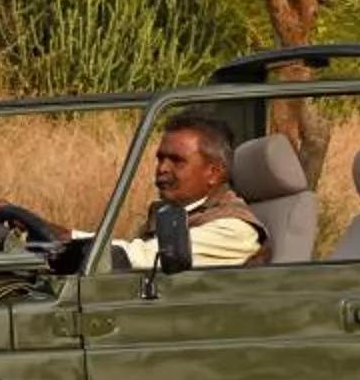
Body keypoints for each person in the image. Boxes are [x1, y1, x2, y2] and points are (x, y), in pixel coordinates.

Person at [110, 115, 267, 269]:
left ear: (213, 173)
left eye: (177, 160)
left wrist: (90, 248)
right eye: (161, 158)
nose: (162, 168)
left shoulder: (235, 229)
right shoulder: (170, 214)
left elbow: (143, 258)